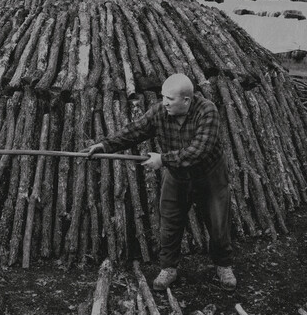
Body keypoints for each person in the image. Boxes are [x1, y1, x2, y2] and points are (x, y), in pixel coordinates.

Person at [84, 73, 236, 291]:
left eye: (170, 99)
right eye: (163, 97)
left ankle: (223, 265)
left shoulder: (207, 111)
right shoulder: (160, 111)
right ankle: (169, 268)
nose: (164, 102)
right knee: (170, 224)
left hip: (209, 177)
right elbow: (135, 130)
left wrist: (163, 159)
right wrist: (105, 145)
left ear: (187, 100)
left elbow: (199, 151)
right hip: (176, 176)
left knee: (218, 223)